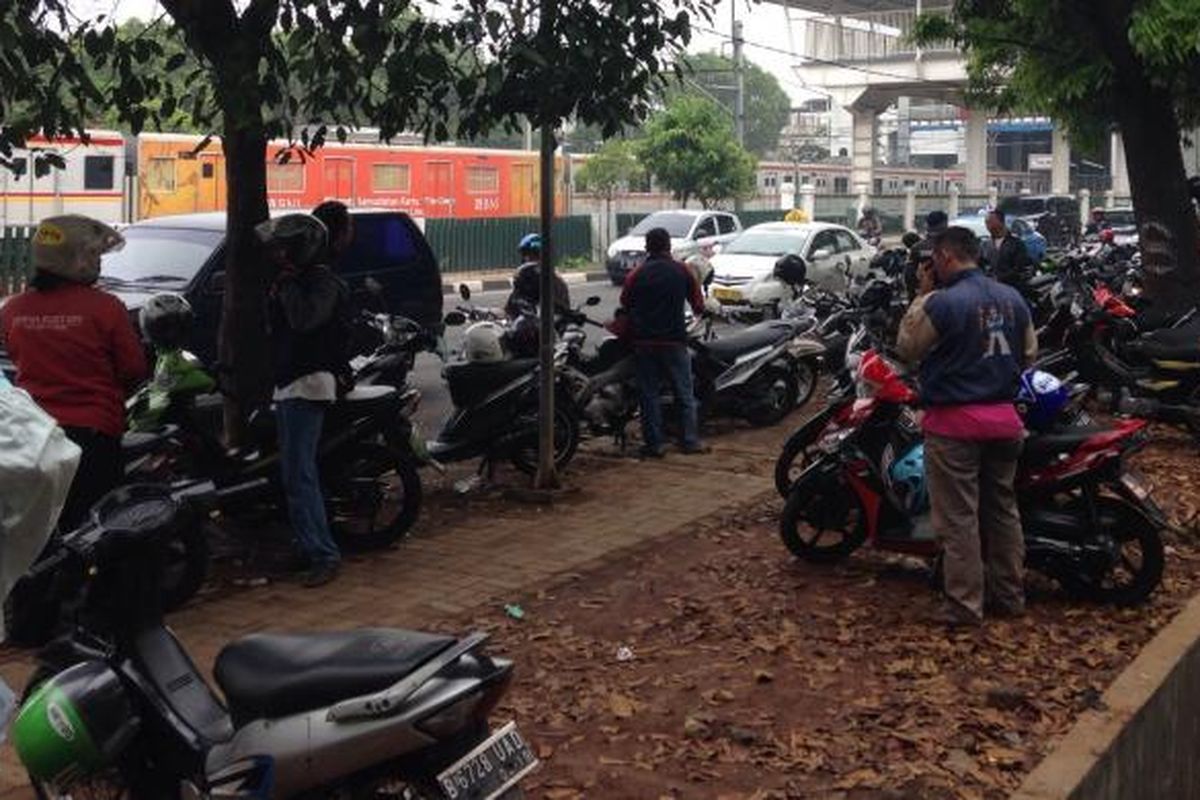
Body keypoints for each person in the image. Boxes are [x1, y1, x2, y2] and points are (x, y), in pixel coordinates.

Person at [896, 226, 1037, 627]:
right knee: (1003, 511)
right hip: (1004, 422)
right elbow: (1029, 355)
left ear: (944, 257)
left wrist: (921, 295)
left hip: (955, 425)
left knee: (958, 518)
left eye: (933, 261)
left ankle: (964, 605)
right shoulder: (1013, 298)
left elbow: (907, 348)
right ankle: (1009, 595)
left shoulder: (942, 303)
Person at [1, 215, 147, 530]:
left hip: (33, 436)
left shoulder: (13, 310)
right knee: (96, 527)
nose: (99, 263)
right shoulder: (107, 308)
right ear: (77, 259)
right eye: (94, 255)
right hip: (94, 434)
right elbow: (133, 369)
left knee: (41, 527)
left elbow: (16, 358)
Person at [259, 213, 351, 588]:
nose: (279, 254)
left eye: (286, 247)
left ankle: (323, 554)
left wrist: (286, 289)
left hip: (307, 383)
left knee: (300, 475)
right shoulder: (296, 280)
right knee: (294, 475)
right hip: (289, 384)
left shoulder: (320, 281)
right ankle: (309, 544)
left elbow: (305, 322)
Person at [621, 227, 707, 458]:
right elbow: (698, 304)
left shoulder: (637, 274)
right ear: (669, 246)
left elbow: (625, 302)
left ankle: (654, 445)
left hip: (644, 343)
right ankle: (689, 441)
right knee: (684, 393)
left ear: (647, 247)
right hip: (674, 342)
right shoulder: (682, 270)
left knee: (648, 396)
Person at [506, 233, 570, 319]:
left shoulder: (556, 280)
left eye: (536, 254)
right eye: (531, 255)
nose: (532, 259)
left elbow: (565, 310)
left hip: (552, 325)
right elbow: (510, 309)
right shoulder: (522, 278)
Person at [983, 209, 1034, 293]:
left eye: (990, 221)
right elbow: (981, 265)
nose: (987, 225)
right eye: (986, 222)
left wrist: (1000, 278)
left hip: (1012, 289)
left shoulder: (1016, 243)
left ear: (1001, 222)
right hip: (991, 290)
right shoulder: (985, 245)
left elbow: (1020, 267)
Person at [904, 210, 948, 301]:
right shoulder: (955, 246)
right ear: (945, 224)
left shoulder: (917, 248)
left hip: (925, 295)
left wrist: (913, 297)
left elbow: (909, 275)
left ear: (927, 225)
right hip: (948, 293)